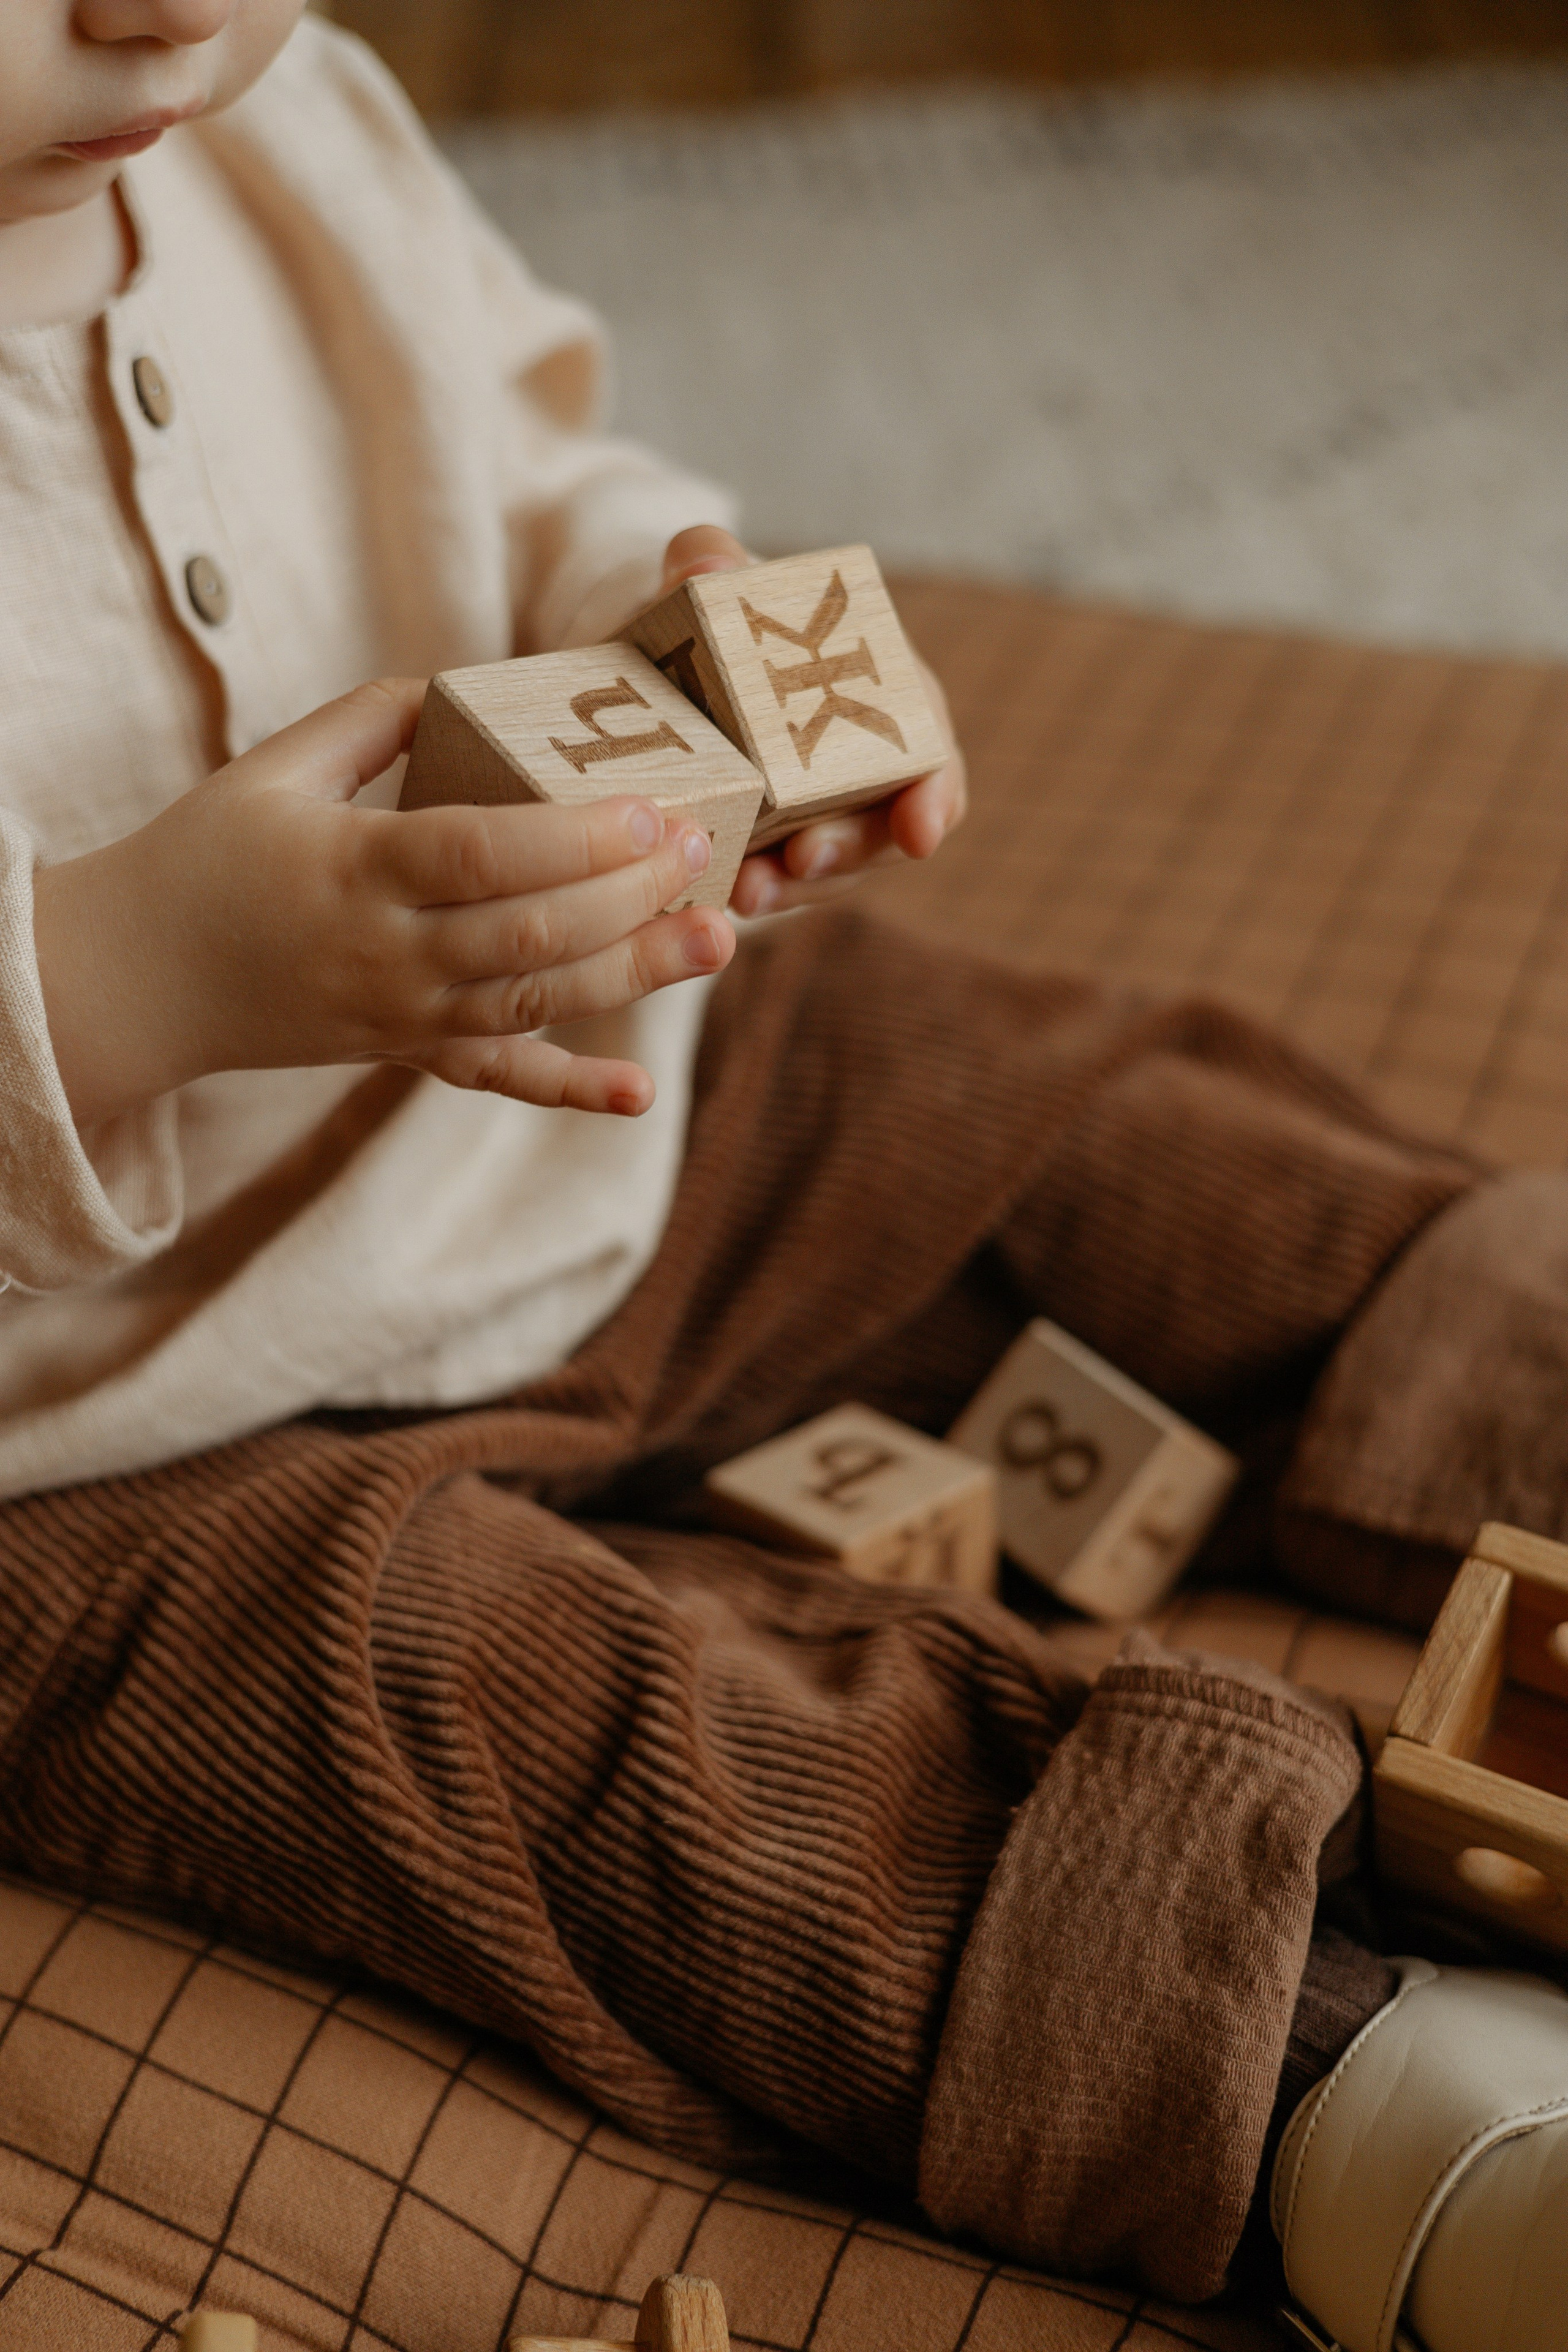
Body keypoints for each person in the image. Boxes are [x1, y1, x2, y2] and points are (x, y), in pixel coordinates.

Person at [0, 7, 1563, 2347]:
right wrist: (138, 975)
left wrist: (673, 626)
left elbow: (530, 460)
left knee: (1088, 1123)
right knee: (551, 1744)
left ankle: (1508, 1379)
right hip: (121, 1449)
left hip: (629, 1125)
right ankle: (1335, 2080)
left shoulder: (286, 124)